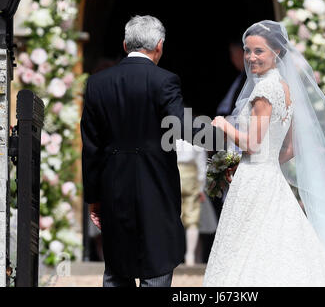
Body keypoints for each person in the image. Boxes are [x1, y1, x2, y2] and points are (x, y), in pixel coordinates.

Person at [204, 20, 325, 286]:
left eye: (258, 51)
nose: (251, 57)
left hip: (255, 182)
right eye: (247, 51)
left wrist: (224, 125)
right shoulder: (286, 88)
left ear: (277, 53)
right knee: (275, 245)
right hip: (271, 177)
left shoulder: (263, 90)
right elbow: (291, 147)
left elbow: (254, 144)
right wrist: (264, 162)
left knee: (247, 248)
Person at [80, 15, 223, 287]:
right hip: (155, 185)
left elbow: (91, 145)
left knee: (117, 268)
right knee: (156, 265)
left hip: (113, 187)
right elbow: (179, 125)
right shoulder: (164, 80)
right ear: (159, 46)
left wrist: (94, 197)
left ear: (125, 44)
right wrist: (222, 136)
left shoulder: (97, 84)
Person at [176, 138, 207, 266]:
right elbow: (201, 164)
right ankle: (189, 255)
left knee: (176, 217)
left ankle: (186, 255)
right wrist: (201, 186)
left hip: (176, 175)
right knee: (192, 219)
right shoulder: (195, 137)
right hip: (189, 178)